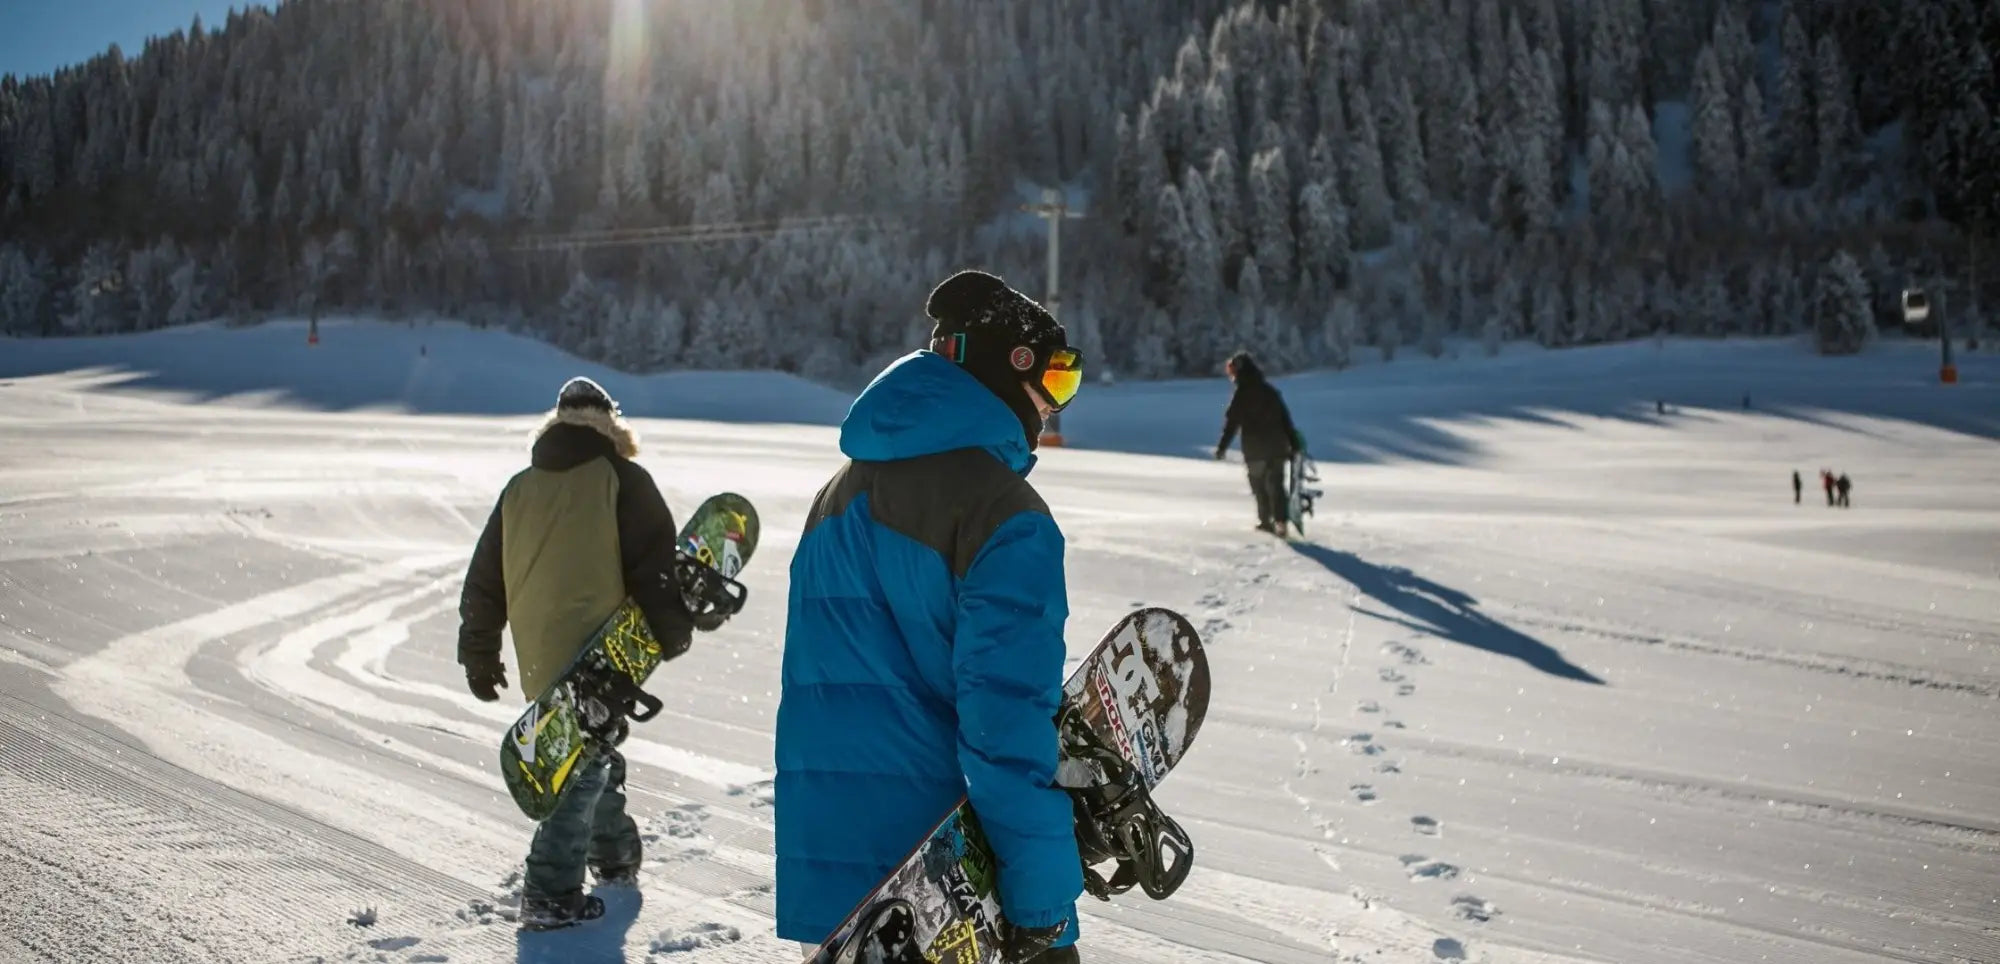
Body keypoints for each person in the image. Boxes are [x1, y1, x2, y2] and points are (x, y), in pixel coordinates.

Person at [776, 270, 1086, 963]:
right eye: (1057, 381)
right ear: (1009, 369)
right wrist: (1041, 906)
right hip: (938, 892)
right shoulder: (1004, 514)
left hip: (830, 871)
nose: (1054, 406)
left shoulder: (835, 494)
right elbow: (1002, 722)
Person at [456, 376, 710, 931]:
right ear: (611, 423)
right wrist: (673, 631)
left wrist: (479, 651)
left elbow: (484, 579)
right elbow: (655, 569)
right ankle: (549, 890)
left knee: (590, 751)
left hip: (538, 652)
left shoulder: (519, 487)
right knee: (580, 768)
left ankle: (615, 856)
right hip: (602, 651)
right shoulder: (622, 478)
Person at [1213, 351, 1301, 537]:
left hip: (1255, 449)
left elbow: (1231, 424)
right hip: (1278, 447)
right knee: (1277, 485)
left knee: (1259, 486)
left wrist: (1222, 448)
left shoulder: (1241, 395)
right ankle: (1281, 523)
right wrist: (1294, 444)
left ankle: (1265, 521)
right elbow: (1286, 420)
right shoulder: (1270, 392)